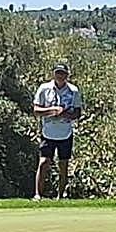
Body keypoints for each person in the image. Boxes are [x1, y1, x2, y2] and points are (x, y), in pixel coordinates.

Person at [32, 64, 83, 200]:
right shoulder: (44, 88)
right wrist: (52, 111)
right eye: (57, 73)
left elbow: (77, 112)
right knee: (43, 162)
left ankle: (60, 196)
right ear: (53, 74)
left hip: (65, 134)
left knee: (63, 165)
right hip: (48, 132)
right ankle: (38, 194)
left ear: (67, 75)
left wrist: (64, 114)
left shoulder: (73, 90)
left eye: (62, 73)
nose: (60, 76)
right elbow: (36, 110)